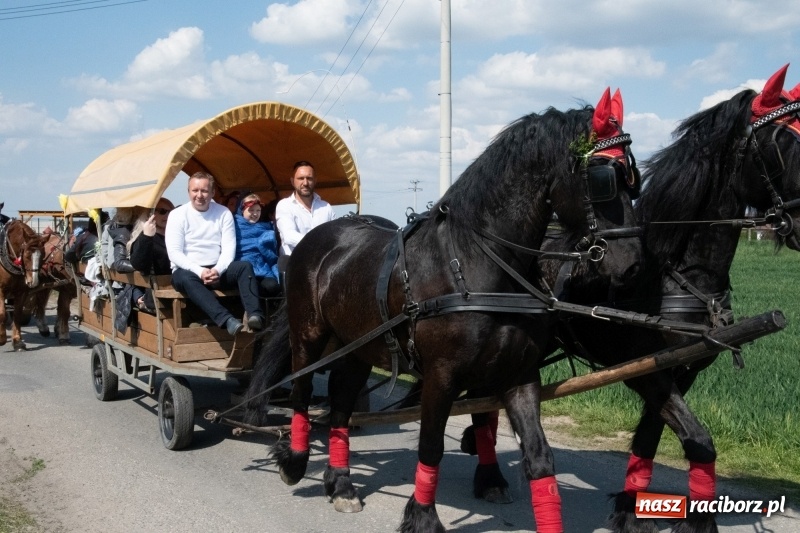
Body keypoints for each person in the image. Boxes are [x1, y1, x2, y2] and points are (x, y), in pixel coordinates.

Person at [165, 172, 265, 336]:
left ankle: (255, 316)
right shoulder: (177, 215)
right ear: (188, 191)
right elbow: (174, 253)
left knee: (244, 267)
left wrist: (217, 270)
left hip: (216, 268)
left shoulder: (223, 213)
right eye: (195, 190)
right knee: (184, 277)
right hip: (189, 271)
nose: (199, 195)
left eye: (204, 191)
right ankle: (227, 320)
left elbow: (228, 249)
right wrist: (200, 271)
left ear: (212, 193)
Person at [275, 160, 336, 256]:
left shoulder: (326, 207)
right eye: (301, 178)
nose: (305, 183)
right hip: (293, 263)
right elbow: (289, 236)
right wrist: (318, 245)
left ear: (315, 181)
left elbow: (334, 235)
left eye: (309, 178)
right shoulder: (285, 205)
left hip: (321, 263)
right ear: (292, 181)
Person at [128, 197, 174, 312]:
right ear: (151, 214)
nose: (167, 215)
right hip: (159, 295)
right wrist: (147, 236)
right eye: (163, 211)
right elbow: (139, 264)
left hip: (180, 289)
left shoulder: (176, 237)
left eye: (171, 212)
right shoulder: (144, 239)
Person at [233, 194, 281, 297]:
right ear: (242, 210)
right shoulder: (233, 227)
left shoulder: (266, 228)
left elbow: (271, 255)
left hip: (263, 269)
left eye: (258, 210)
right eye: (251, 210)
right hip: (243, 270)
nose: (255, 214)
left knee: (272, 286)